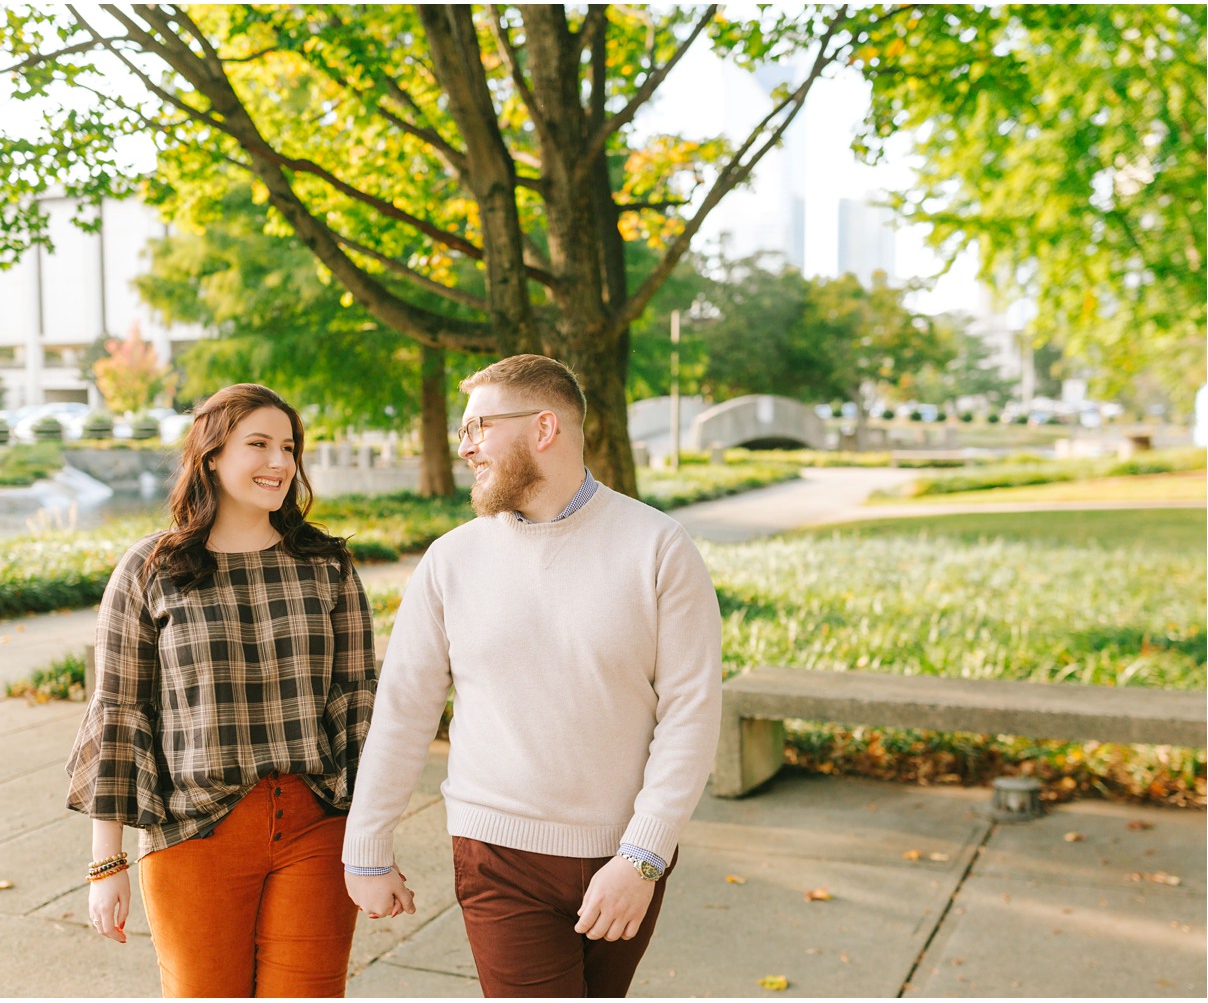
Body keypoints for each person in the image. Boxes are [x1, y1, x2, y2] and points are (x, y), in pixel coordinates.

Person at [342, 355, 722, 997]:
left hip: (625, 855)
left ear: (544, 428)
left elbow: (691, 712)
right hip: (497, 855)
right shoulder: (450, 560)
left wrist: (642, 858)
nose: (464, 447)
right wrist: (367, 847)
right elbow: (403, 711)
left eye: (478, 428)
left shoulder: (659, 548)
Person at [65, 383, 379, 998]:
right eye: (257, 444)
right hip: (192, 835)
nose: (280, 463)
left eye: (288, 447)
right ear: (211, 455)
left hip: (317, 829)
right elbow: (120, 714)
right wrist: (107, 863)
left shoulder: (328, 565)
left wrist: (374, 840)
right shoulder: (149, 568)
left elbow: (359, 704)